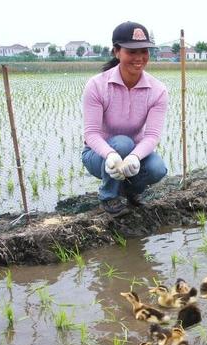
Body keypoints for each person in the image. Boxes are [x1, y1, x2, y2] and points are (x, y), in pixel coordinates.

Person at [82, 21, 168, 216]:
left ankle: (130, 192)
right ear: (116, 52)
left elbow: (152, 135)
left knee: (157, 168)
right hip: (98, 157)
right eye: (131, 51)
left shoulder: (158, 90)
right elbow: (91, 133)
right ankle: (108, 196)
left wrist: (135, 157)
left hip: (133, 153)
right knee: (122, 143)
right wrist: (111, 154)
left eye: (143, 51)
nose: (139, 58)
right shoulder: (97, 85)